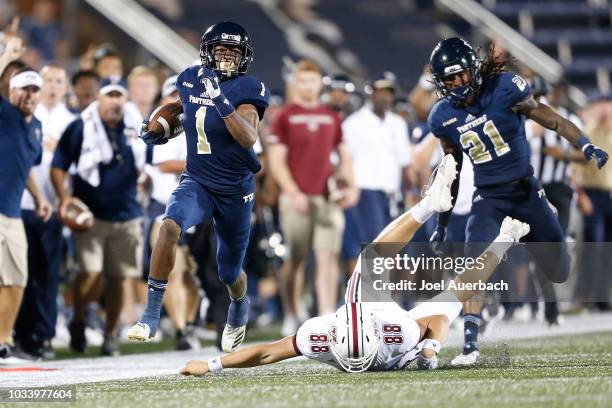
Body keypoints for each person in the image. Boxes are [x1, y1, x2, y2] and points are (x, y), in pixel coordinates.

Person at [179, 155, 531, 376]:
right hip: (391, 338)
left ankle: (428, 204)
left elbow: (268, 353)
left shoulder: (324, 336)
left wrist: (212, 366)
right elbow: (437, 320)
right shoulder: (397, 336)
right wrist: (430, 348)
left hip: (373, 314)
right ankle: (505, 239)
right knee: (454, 296)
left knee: (375, 259)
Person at [426, 37, 609, 366]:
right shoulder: (442, 117)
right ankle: (470, 346)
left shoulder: (505, 89)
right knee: (474, 267)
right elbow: (451, 171)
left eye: (461, 76)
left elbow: (552, 119)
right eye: (449, 80)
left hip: (525, 191)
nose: (456, 85)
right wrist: (441, 221)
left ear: (474, 71)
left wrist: (584, 145)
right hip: (488, 197)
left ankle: (546, 229)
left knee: (559, 271)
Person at [129, 21, 270, 353]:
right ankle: (150, 313)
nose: (227, 58)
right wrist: (158, 128)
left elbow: (248, 136)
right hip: (198, 180)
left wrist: (219, 98)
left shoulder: (250, 88)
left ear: (244, 57)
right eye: (221, 50)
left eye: (234, 52)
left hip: (236, 189)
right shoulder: (190, 78)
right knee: (168, 227)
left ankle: (239, 305)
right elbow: (182, 113)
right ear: (207, 53)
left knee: (229, 271)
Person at [51, 77, 145, 356]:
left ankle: (110, 334)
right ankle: (78, 320)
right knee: (89, 274)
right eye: (110, 95)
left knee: (118, 278)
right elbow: (58, 165)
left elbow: (150, 160)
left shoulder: (136, 128)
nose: (115, 101)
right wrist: (65, 198)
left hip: (127, 213)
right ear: (99, 99)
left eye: (119, 95)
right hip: (90, 215)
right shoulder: (82, 126)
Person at [267, 60, 358, 336]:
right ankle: (292, 311)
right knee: (295, 259)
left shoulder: (331, 117)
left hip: (326, 197)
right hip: (296, 198)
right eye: (302, 81)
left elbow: (343, 155)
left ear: (321, 83)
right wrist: (292, 192)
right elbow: (276, 160)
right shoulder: (284, 116)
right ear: (295, 83)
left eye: (312, 80)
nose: (308, 86)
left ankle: (327, 314)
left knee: (327, 257)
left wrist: (352, 186)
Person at [15, 63, 75, 359]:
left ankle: (45, 334)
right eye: (47, 80)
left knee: (49, 275)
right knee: (20, 275)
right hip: (20, 206)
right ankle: (23, 334)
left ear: (66, 87)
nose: (52, 86)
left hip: (53, 208)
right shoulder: (26, 116)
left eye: (58, 81)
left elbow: (78, 167)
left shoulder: (73, 121)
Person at [0, 37, 52, 365]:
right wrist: (6, 56)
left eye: (34, 90)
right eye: (23, 89)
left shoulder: (37, 128)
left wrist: (40, 197)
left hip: (12, 212)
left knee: (17, 279)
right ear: (10, 91)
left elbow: (27, 167)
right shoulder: (4, 114)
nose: (29, 95)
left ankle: (3, 342)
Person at [146, 75, 201, 350]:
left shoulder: (204, 121)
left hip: (200, 209)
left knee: (195, 277)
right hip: (166, 207)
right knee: (175, 271)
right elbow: (163, 163)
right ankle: (180, 329)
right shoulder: (163, 123)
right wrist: (201, 162)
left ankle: (189, 324)